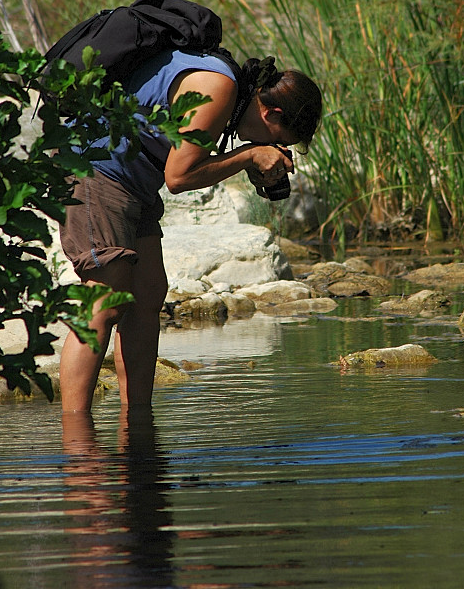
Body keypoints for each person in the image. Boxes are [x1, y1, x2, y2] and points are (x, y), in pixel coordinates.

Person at [58, 48, 322, 413]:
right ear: (272, 113)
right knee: (106, 301)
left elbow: (181, 162)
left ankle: (137, 422)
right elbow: (179, 177)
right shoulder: (218, 89)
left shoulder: (230, 97)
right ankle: (76, 436)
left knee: (148, 294)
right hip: (95, 167)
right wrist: (248, 156)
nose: (272, 148)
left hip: (136, 181)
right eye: (278, 140)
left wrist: (247, 158)